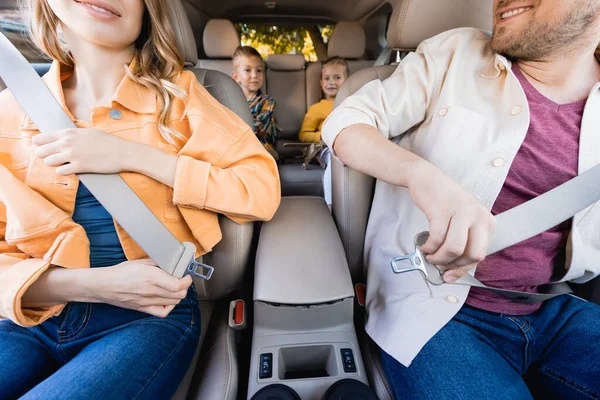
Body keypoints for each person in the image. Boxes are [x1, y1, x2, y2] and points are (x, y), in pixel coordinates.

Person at [0, 0, 280, 398]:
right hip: (23, 318)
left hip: (148, 316)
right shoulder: (9, 113)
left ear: (149, 11)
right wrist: (90, 285)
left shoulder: (181, 98)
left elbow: (261, 187)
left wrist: (134, 156)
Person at [322, 0, 600, 398]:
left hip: (555, 306)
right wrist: (420, 175)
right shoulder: (454, 54)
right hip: (436, 308)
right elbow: (346, 122)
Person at [232, 45, 279, 160]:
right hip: (235, 148)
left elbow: (257, 128)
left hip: (262, 150)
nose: (254, 75)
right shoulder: (230, 101)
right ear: (236, 77)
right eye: (248, 70)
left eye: (259, 70)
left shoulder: (267, 102)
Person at [298, 56, 349, 144]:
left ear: (347, 81)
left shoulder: (353, 103)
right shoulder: (316, 109)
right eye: (327, 78)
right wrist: (321, 136)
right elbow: (303, 135)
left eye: (337, 78)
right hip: (328, 147)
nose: (331, 82)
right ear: (321, 84)